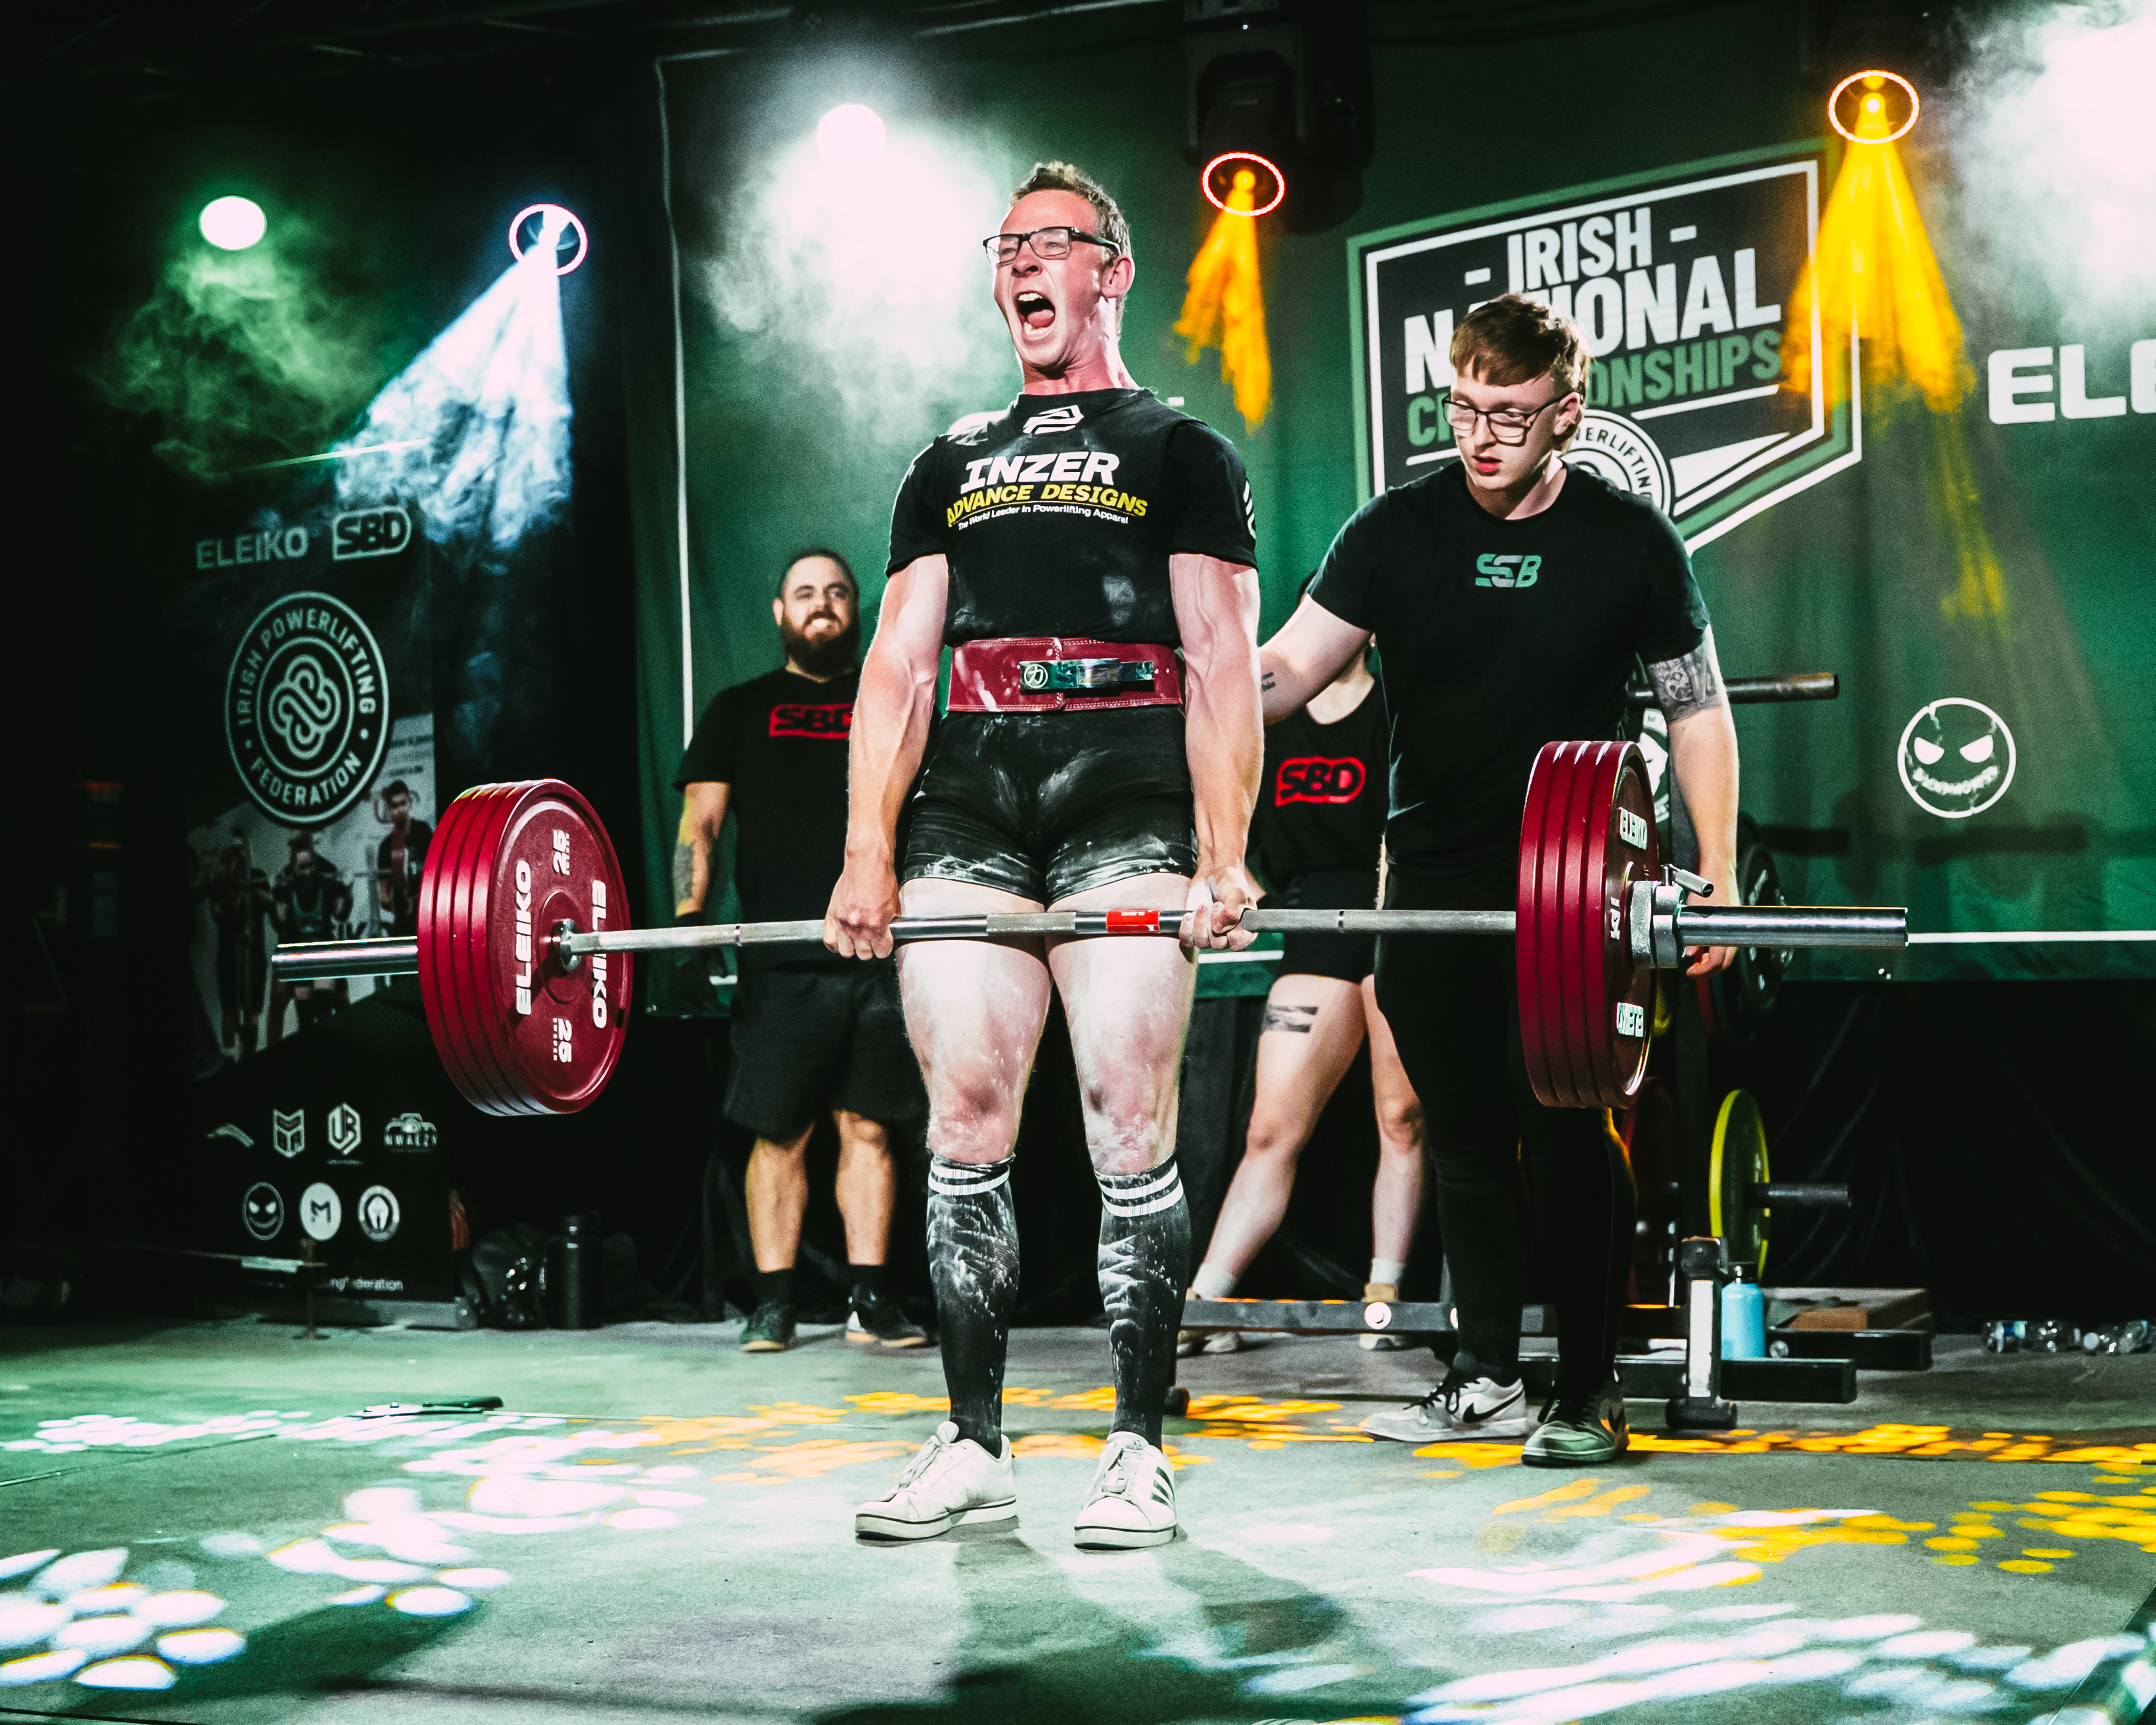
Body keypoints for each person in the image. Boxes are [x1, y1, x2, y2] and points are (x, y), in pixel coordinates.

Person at [825, 161, 1261, 1548]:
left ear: (1111, 270)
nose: (1019, 266)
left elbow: (1222, 661)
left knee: (1128, 1108)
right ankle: (972, 1441)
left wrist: (1226, 853)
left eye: (1049, 243)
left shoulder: (1178, 449)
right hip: (972, 791)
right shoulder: (947, 459)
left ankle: (1136, 1444)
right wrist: (862, 850)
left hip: (1128, 783)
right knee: (963, 1110)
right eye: (1003, 246)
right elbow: (897, 662)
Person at [1257, 295, 1738, 1468]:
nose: (1479, 437)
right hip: (1425, 888)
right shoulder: (1390, 531)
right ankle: (1483, 1373)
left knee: (1563, 1133)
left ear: (1565, 413)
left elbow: (1697, 710)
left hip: (1567, 896)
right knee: (1461, 1136)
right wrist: (1178, 699)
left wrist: (1713, 871)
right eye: (1463, 410)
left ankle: (1585, 1389)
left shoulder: (1628, 543)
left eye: (1509, 416)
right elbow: (1280, 671)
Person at [675, 550, 928, 1355]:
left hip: (882, 952)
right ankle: (774, 1304)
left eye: (838, 593)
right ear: (779, 613)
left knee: (870, 1129)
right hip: (782, 957)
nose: (823, 605)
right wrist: (689, 924)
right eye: (805, 594)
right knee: (778, 1132)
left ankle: (871, 1302)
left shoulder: (895, 707)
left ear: (859, 611)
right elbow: (700, 829)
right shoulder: (738, 709)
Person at [1180, 622, 1425, 1355]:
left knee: (1402, 1117)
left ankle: (1384, 1292)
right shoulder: (1272, 723)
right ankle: (1207, 1300)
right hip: (1316, 925)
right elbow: (1217, 808)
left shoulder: (1396, 712)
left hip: (1397, 917)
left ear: (1370, 633)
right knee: (1270, 1128)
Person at [267, 831, 353, 1042]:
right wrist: (274, 901)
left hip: (323, 953)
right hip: (298, 954)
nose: (306, 872)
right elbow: (279, 922)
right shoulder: (286, 889)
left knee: (329, 1002)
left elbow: (341, 913)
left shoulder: (328, 882)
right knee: (302, 1008)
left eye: (310, 867)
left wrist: (347, 891)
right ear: (294, 867)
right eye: (301, 868)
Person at [374, 780, 432, 939]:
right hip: (403, 921)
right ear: (389, 809)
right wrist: (398, 904)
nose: (399, 809)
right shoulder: (386, 847)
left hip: (427, 917)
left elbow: (435, 878)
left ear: (410, 803)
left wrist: (416, 900)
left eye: (403, 803)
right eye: (394, 806)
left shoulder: (423, 832)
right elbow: (384, 896)